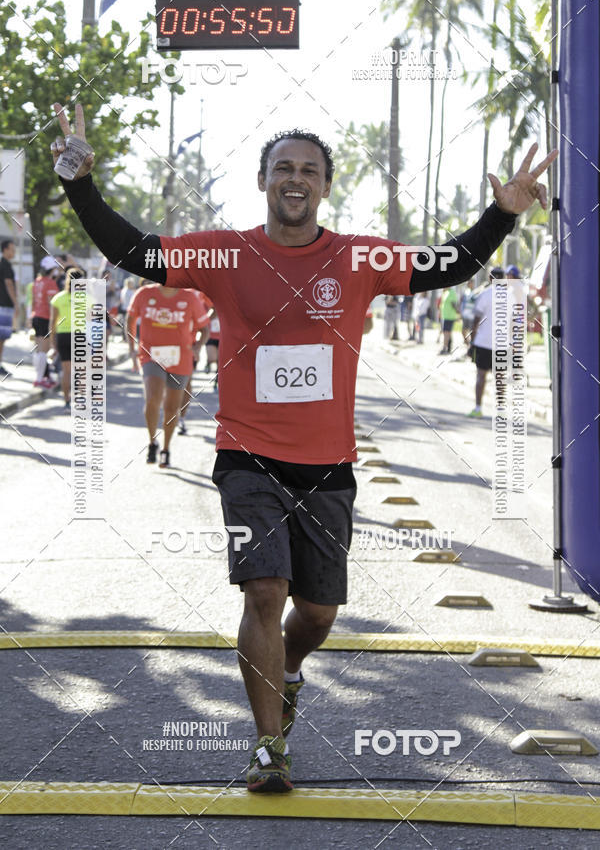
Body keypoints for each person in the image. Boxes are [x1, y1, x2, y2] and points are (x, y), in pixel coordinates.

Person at [52, 101, 556, 792]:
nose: (296, 178)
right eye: (283, 167)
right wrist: (80, 184)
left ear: (325, 186)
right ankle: (268, 750)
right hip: (246, 455)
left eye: (309, 170)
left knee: (316, 613)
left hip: (327, 466)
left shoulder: (357, 257)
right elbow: (133, 251)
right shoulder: (225, 252)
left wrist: (502, 215)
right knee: (264, 590)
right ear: (264, 181)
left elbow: (449, 264)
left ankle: (288, 670)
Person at [126, 283, 209, 467]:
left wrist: (198, 346)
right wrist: (131, 347)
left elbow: (205, 327)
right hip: (151, 356)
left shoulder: (190, 297)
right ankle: (152, 441)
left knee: (172, 408)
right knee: (152, 398)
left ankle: (165, 448)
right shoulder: (144, 294)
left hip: (180, 358)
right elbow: (130, 318)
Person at [468, 266, 506, 417]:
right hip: (502, 344)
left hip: (483, 342)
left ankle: (478, 408)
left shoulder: (484, 295)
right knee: (500, 378)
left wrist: (471, 343)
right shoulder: (510, 296)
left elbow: (475, 321)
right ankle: (501, 410)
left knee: (481, 376)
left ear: (490, 279)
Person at [49, 267, 86, 409]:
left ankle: (66, 400)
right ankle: (81, 400)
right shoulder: (87, 298)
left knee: (67, 370)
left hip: (63, 335)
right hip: (80, 335)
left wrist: (53, 342)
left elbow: (53, 321)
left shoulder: (58, 298)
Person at [178, 291, 211, 435]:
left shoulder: (198, 291)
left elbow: (214, 308)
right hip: (162, 346)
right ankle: (170, 411)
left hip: (188, 347)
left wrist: (202, 322)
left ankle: (180, 418)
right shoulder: (165, 286)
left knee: (186, 384)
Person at [31, 257, 59, 387]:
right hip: (45, 318)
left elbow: (33, 301)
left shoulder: (37, 281)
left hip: (36, 316)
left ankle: (40, 377)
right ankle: (39, 378)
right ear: (51, 269)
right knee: (44, 350)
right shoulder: (50, 283)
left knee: (38, 349)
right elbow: (51, 303)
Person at [0, 239, 17, 377]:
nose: (14, 251)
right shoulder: (4, 264)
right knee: (1, 337)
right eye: (12, 248)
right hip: (4, 305)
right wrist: (16, 303)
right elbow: (9, 284)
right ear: (5, 249)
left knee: (2, 337)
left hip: (4, 304)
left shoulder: (4, 264)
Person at [439, 285, 460, 354]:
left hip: (449, 316)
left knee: (446, 333)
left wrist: (458, 314)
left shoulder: (451, 292)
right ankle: (448, 348)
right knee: (447, 333)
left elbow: (453, 304)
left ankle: (445, 348)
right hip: (445, 316)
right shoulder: (445, 292)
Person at [460, 278, 476, 348]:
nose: (469, 284)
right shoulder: (466, 292)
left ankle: (471, 345)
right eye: (468, 282)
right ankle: (467, 343)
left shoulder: (475, 292)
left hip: (472, 315)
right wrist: (461, 312)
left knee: (471, 331)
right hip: (465, 314)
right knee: (463, 331)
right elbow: (462, 302)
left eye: (470, 282)